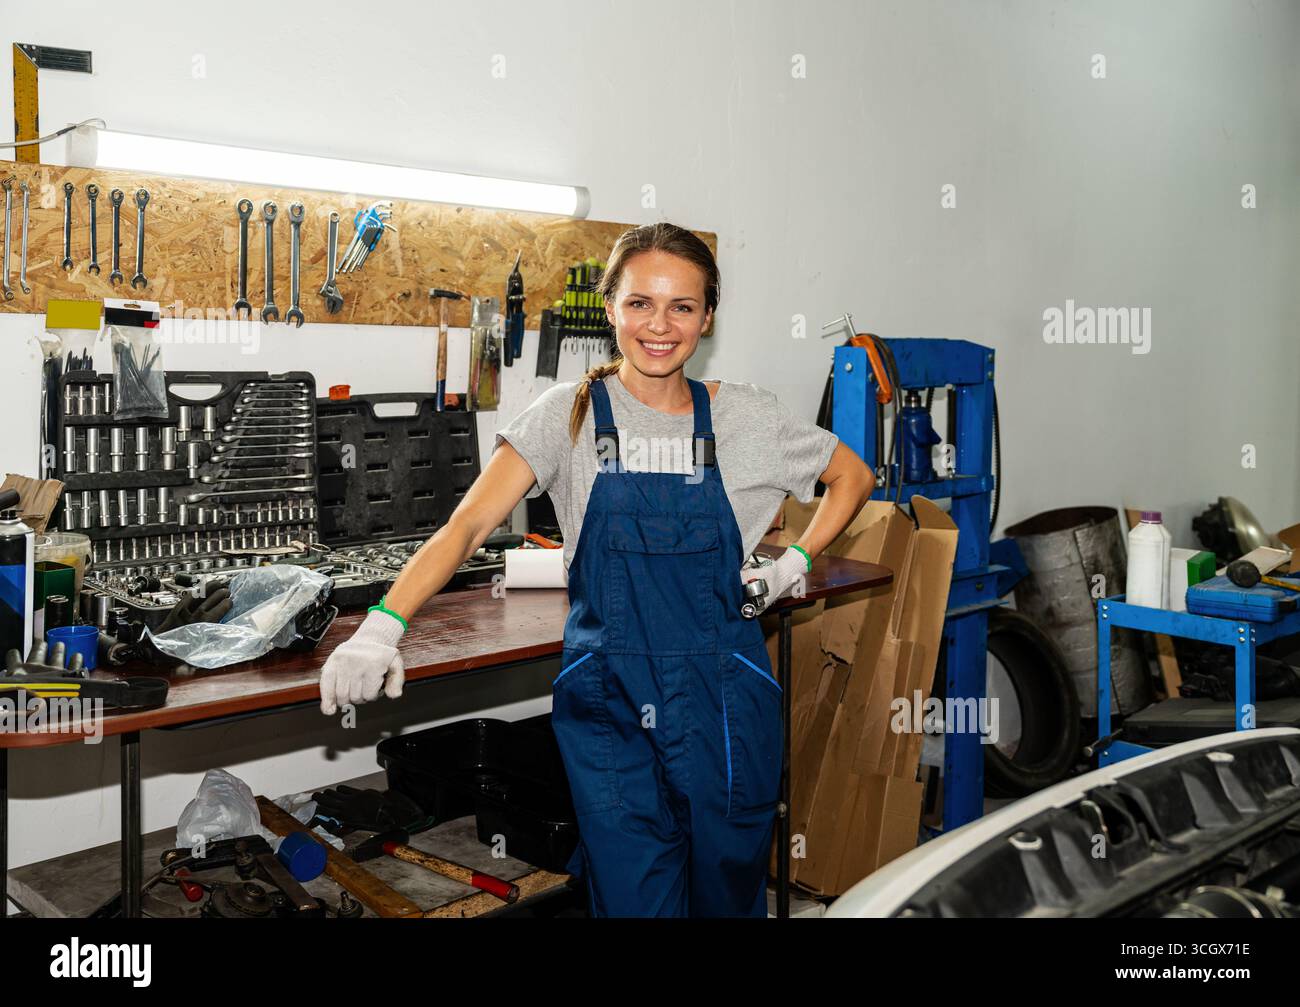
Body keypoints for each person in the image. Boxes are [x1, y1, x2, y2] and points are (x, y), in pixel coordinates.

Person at [318, 222, 873, 916]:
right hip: (611, 708)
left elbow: (852, 474)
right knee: (632, 897)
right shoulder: (567, 416)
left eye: (682, 306)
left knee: (727, 894)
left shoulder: (747, 419)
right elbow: (466, 525)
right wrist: (381, 625)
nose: (660, 325)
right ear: (610, 306)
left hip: (723, 707)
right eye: (640, 302)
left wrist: (793, 561)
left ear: (707, 316)